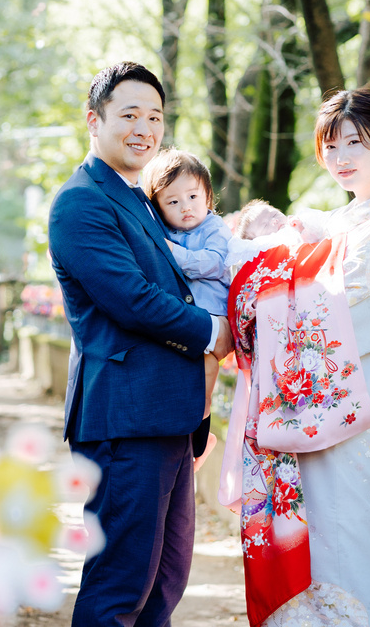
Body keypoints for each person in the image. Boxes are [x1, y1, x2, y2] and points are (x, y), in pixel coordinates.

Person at [220, 88, 370, 627]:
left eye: (354, 144)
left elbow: (347, 313)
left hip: (349, 406)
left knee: (344, 539)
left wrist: (264, 296)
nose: (341, 158)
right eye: (331, 146)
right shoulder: (333, 226)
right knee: (307, 539)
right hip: (302, 403)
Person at [48, 61, 234, 626]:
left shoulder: (141, 199)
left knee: (162, 584)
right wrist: (213, 331)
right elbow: (131, 298)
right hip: (125, 421)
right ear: (94, 120)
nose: (144, 129)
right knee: (120, 585)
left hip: (169, 417)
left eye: (155, 117)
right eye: (129, 115)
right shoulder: (81, 202)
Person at [143, 148, 233, 465]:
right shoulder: (166, 232)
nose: (186, 207)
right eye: (172, 202)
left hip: (211, 320)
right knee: (179, 384)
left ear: (207, 195)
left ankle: (199, 440)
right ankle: (188, 440)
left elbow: (214, 263)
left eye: (193, 196)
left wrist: (172, 253)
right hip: (183, 323)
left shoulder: (214, 228)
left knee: (205, 382)